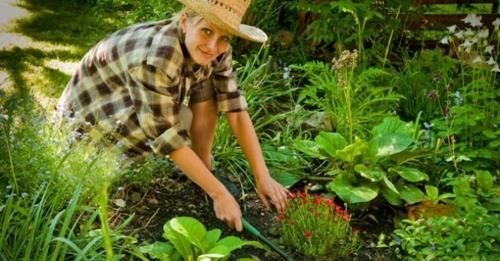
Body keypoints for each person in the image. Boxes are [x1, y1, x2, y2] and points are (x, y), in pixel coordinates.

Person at [56, 0, 288, 232]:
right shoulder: (158, 56)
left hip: (125, 107)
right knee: (180, 121)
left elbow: (235, 109)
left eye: (224, 37)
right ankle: (114, 172)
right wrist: (219, 193)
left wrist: (262, 176)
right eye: (206, 31)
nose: (212, 45)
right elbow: (165, 135)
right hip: (86, 129)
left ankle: (203, 168)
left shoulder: (216, 49)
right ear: (186, 21)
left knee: (204, 89)